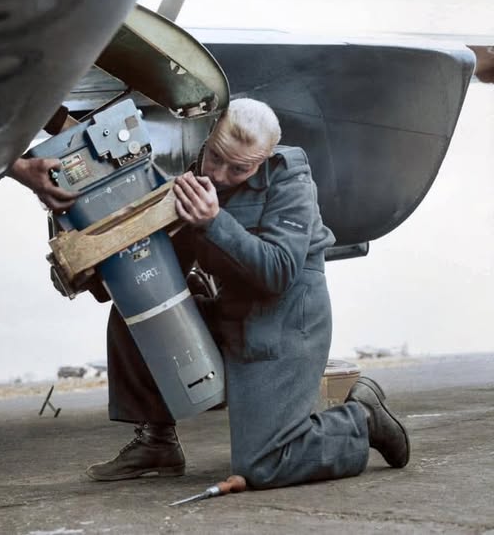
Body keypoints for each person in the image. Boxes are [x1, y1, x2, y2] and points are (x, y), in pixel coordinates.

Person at [80, 98, 411, 489]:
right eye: (216, 158)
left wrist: (213, 221)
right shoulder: (196, 179)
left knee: (263, 465)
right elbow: (166, 267)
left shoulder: (290, 177)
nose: (220, 175)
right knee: (138, 313)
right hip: (230, 312)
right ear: (210, 136)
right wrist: (90, 272)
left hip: (285, 322)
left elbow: (278, 273)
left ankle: (361, 419)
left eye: (240, 168)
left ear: (264, 159)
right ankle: (157, 443)